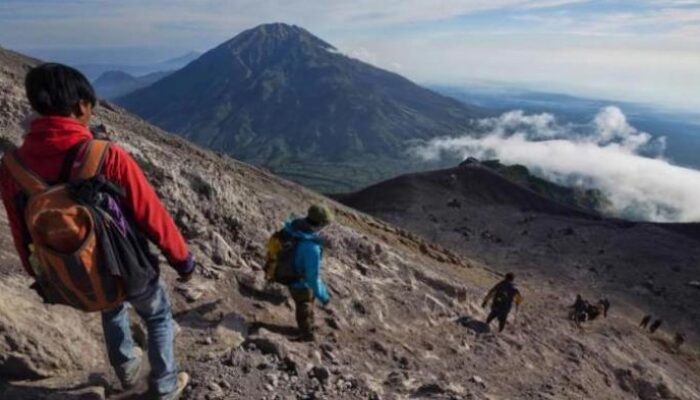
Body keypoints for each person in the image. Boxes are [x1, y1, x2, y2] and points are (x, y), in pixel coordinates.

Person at [0, 63, 192, 399]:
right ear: (80, 106)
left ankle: (128, 371)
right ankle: (164, 386)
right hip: (128, 262)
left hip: (79, 268)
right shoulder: (105, 155)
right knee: (158, 315)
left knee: (111, 306)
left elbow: (20, 228)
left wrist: (40, 273)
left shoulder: (12, 167)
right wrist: (182, 259)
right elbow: (151, 213)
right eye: (89, 106)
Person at [275, 205, 333, 341]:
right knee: (304, 305)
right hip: (300, 282)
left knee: (303, 304)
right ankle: (307, 333)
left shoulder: (293, 228)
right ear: (320, 224)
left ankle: (307, 325)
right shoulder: (311, 248)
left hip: (289, 273)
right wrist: (323, 296)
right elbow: (312, 277)